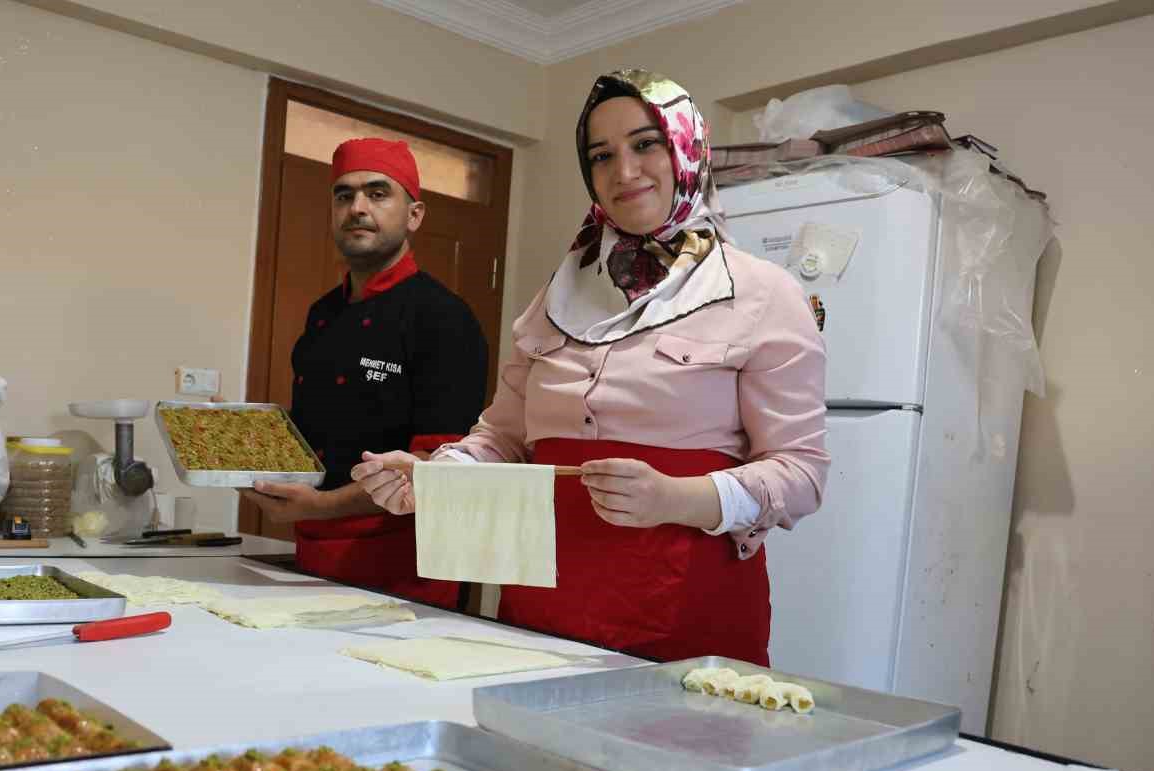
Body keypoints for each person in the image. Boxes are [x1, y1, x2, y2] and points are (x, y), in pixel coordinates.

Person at [352, 70, 828, 664]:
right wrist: (432, 477)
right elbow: (503, 438)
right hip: (539, 613)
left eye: (645, 143)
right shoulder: (557, 296)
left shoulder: (761, 293)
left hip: (684, 617)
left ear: (687, 148)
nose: (623, 171)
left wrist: (679, 499)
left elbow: (802, 474)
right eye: (601, 155)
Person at [241, 137, 488, 608]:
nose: (357, 207)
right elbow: (309, 432)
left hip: (406, 567)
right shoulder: (322, 314)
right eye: (344, 195)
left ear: (414, 215)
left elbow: (437, 468)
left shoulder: (443, 318)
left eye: (377, 193)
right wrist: (242, 442)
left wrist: (324, 506)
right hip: (315, 552)